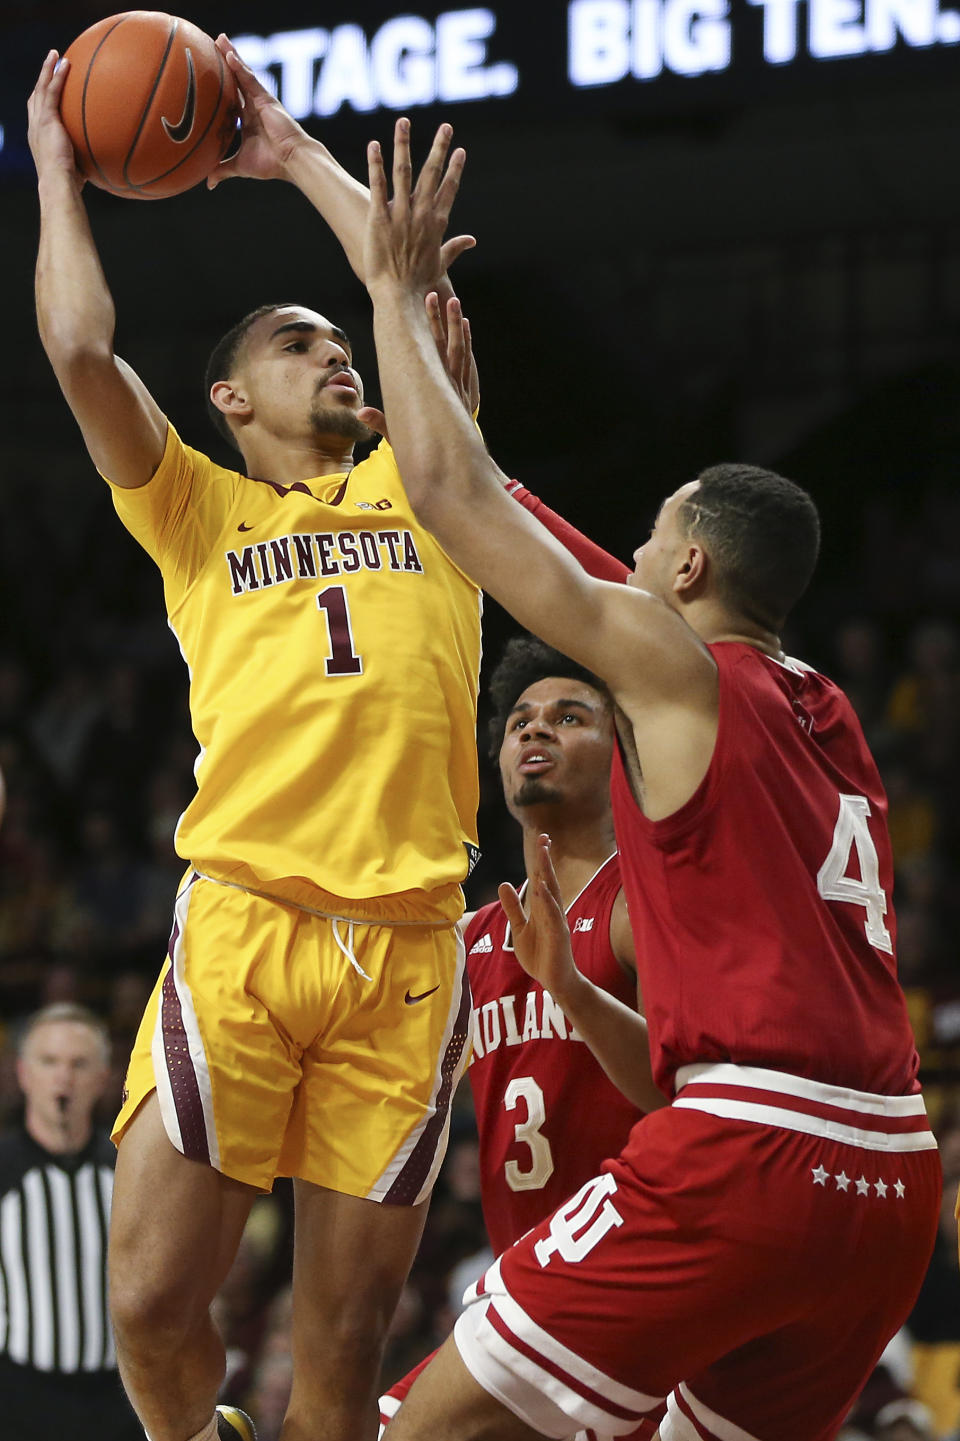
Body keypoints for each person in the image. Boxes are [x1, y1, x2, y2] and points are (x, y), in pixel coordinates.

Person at [355, 122, 942, 1441]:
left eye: (654, 535)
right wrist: (483, 446)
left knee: (416, 1429)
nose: (633, 548)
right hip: (895, 1170)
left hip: (749, 1146)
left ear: (686, 574)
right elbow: (531, 529)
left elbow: (447, 503)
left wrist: (392, 294)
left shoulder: (679, 679)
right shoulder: (826, 712)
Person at [27, 48, 485, 1441]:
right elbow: (79, 350)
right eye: (298, 343)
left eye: (337, 342)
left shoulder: (431, 479)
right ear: (230, 400)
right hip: (247, 920)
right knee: (157, 1306)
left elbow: (409, 289)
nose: (336, 351)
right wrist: (60, 168)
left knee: (341, 1360)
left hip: (406, 947)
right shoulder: (198, 515)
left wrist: (289, 151)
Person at [379, 637, 664, 1438]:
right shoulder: (466, 938)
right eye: (520, 722)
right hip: (526, 1285)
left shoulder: (644, 905)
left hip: (637, 1281)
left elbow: (686, 1092)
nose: (535, 731)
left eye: (569, 716)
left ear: (623, 753)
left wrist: (571, 989)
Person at [0, 1004, 141, 1441]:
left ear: (104, 1077)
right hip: (16, 1396)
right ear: (24, 1073)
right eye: (50, 1062)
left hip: (118, 1400)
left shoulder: (130, 1171)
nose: (64, 1078)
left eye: (79, 1064)